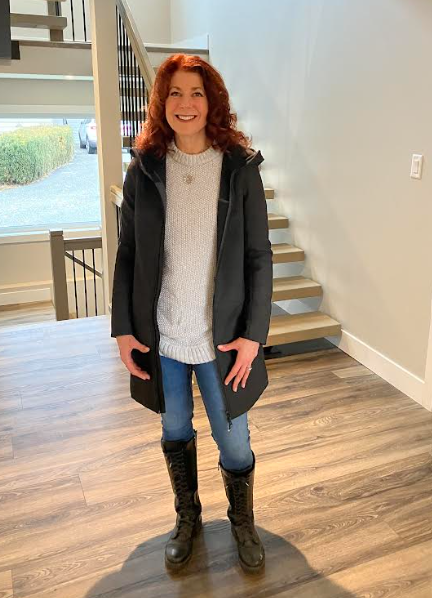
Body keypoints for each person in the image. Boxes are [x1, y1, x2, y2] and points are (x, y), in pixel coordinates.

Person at [111, 53, 273, 574]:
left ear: (212, 101)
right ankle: (188, 517)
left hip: (222, 339)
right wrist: (123, 329)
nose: (186, 103)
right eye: (175, 93)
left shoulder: (240, 169)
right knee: (175, 428)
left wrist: (253, 336)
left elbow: (259, 256)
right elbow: (128, 254)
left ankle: (242, 521)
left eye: (196, 93)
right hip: (162, 335)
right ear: (162, 102)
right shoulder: (144, 169)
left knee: (233, 439)